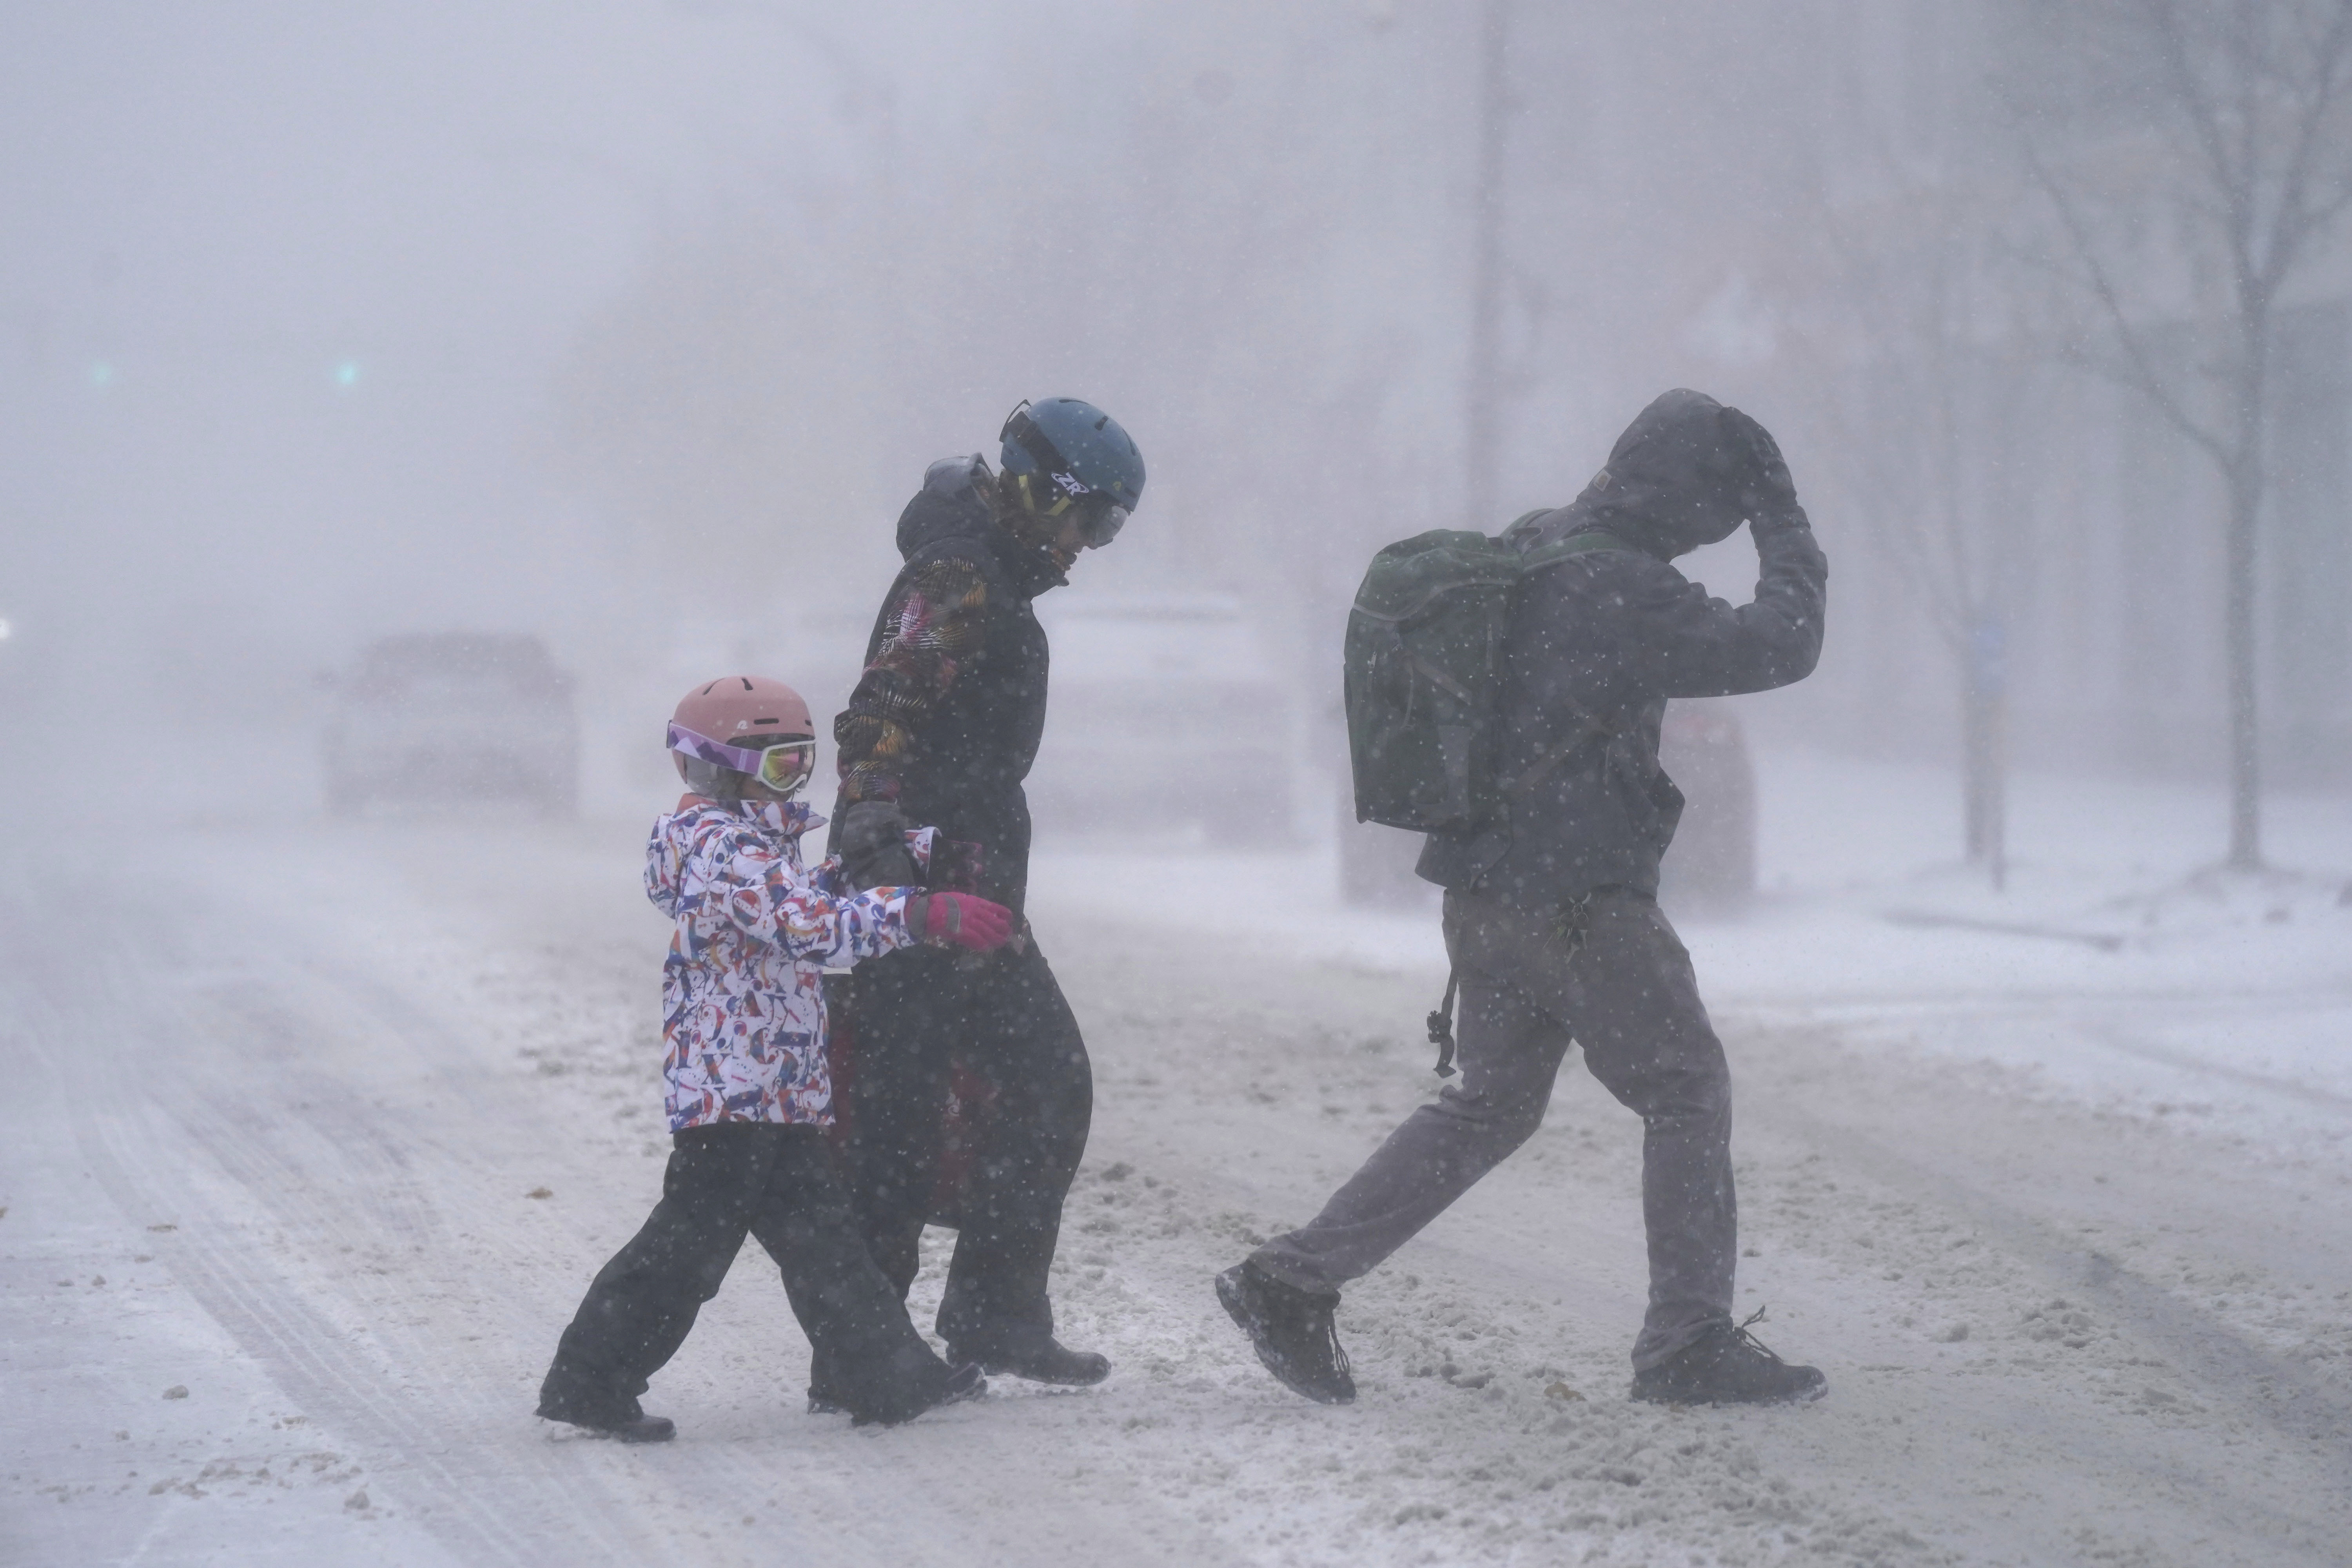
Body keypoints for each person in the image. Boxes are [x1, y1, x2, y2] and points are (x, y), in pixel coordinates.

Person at [1218, 389, 1831, 1407]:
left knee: (1488, 1107)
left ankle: (1291, 1279)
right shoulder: (1621, 586)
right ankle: (1687, 1344)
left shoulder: (1533, 547)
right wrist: (1785, 519)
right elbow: (1784, 642)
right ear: (1693, 503)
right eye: (1715, 516)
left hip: (1484, 895)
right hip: (1581, 898)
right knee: (1685, 1089)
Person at [537, 675, 1015, 1438]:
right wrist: (917, 912)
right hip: (732, 1086)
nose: (793, 780)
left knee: (822, 1237)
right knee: (688, 1245)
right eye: (781, 766)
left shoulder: (750, 844)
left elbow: (802, 894)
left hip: (777, 1081)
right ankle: (590, 1376)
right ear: (723, 767)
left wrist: (902, 857)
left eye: (803, 763)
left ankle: (887, 1376)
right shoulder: (716, 844)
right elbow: (806, 926)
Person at [825, 397, 1144, 1391]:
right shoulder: (961, 572)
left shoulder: (993, 569)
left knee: (1046, 1083)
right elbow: (885, 702)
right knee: (897, 1118)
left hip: (978, 889)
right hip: (916, 883)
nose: (1092, 545)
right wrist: (876, 825)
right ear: (1038, 489)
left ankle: (995, 1314)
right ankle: (862, 1354)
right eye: (1091, 520)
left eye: (1111, 529)